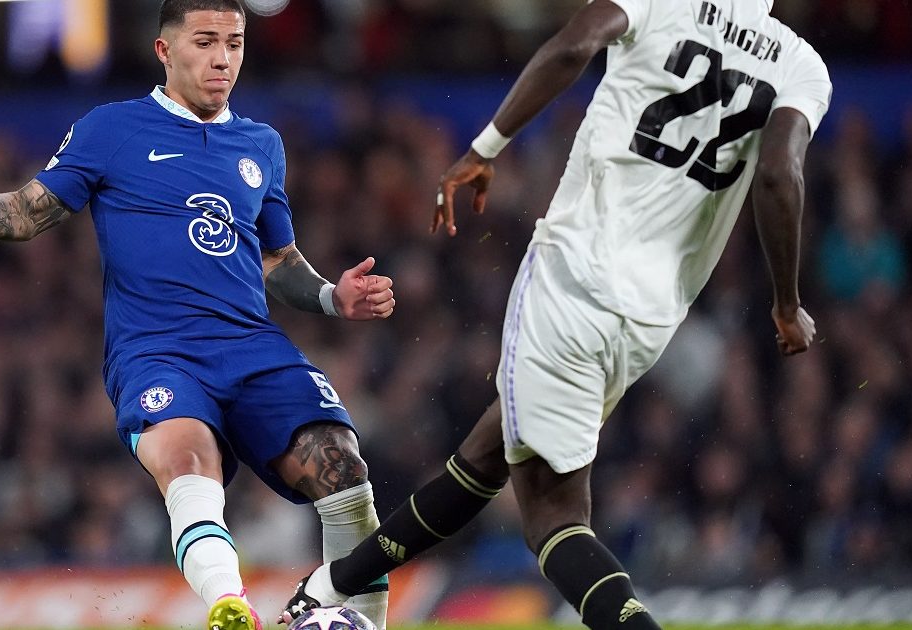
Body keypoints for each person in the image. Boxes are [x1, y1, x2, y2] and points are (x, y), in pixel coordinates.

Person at [280, 1, 830, 628]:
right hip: (650, 318)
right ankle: (333, 584)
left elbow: (574, 45)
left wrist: (486, 146)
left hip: (574, 277)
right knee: (490, 451)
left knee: (554, 519)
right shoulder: (802, 66)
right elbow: (779, 175)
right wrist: (787, 304)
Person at [0, 2, 394, 630]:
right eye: (205, 41)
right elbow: (27, 214)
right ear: (165, 50)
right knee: (190, 464)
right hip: (157, 352)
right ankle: (229, 606)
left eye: (234, 43)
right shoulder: (112, 129)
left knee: (344, 471)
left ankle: (367, 625)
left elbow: (277, 260)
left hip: (252, 347)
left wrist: (333, 296)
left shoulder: (261, 144)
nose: (223, 58)